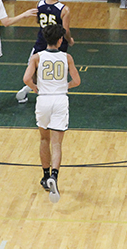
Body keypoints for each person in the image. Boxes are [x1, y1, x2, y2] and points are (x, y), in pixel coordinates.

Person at [22, 24, 81, 204]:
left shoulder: (36, 57)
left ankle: (45, 175)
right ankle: (54, 177)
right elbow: (77, 81)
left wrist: (35, 88)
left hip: (44, 99)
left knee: (44, 139)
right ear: (60, 40)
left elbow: (26, 79)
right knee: (57, 143)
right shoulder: (67, 57)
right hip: (60, 99)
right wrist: (64, 86)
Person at [15, 0, 75, 103]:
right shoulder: (64, 9)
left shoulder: (39, 4)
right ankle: (55, 91)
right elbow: (66, 30)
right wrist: (70, 40)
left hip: (42, 39)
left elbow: (38, 21)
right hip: (58, 43)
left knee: (35, 67)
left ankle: (29, 89)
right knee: (58, 68)